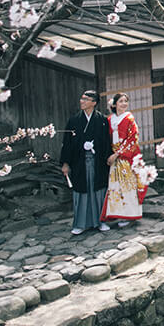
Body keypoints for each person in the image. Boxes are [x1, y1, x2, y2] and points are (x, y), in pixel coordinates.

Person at [59, 90, 112, 235]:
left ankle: (101, 221)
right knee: (81, 192)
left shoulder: (102, 120)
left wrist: (107, 157)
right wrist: (65, 163)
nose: (82, 101)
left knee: (98, 191)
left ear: (94, 103)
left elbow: (107, 142)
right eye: (82, 98)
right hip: (79, 162)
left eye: (86, 99)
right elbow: (67, 143)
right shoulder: (74, 120)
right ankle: (80, 224)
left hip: (97, 161)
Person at [102, 93, 146, 226]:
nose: (124, 104)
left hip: (126, 156)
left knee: (128, 185)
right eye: (121, 101)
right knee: (116, 186)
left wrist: (117, 154)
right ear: (114, 104)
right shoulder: (110, 119)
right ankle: (119, 213)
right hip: (114, 156)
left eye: (125, 101)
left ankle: (130, 215)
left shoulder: (129, 118)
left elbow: (133, 138)